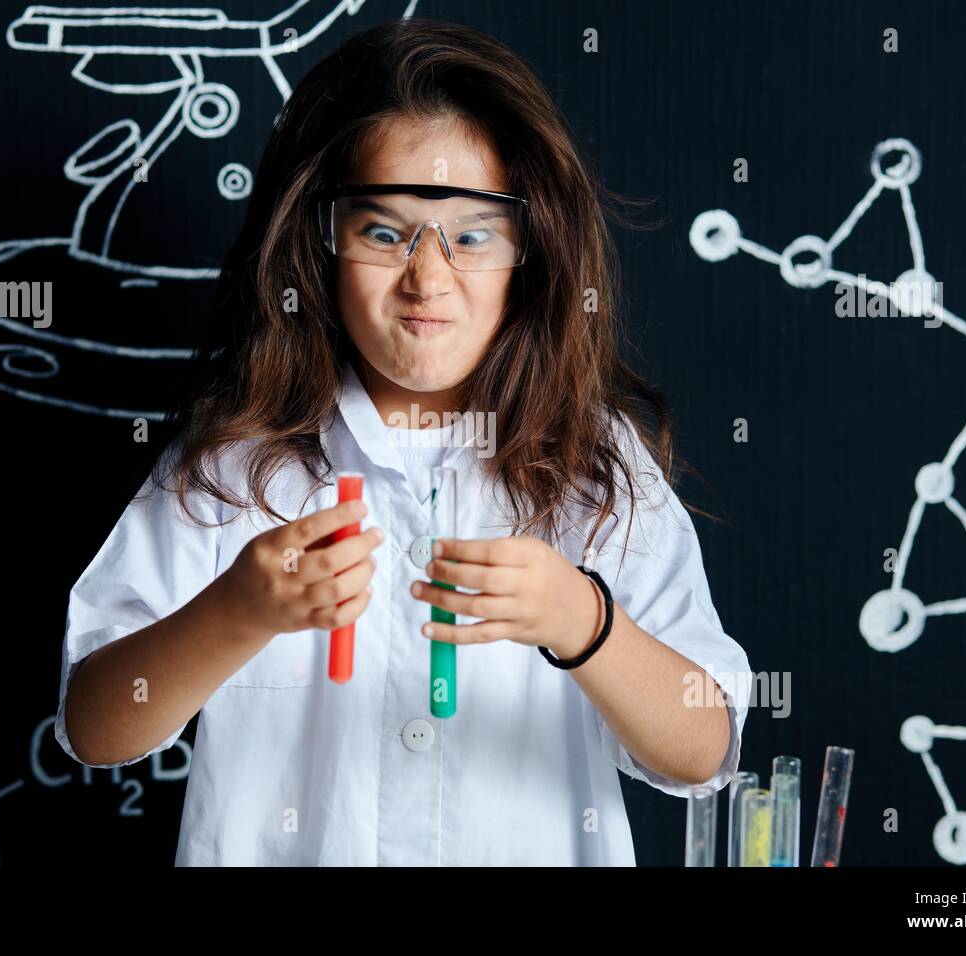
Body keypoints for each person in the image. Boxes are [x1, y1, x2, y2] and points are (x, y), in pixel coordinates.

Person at [55, 17, 751, 865]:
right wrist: (237, 611)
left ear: (530, 254)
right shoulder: (239, 462)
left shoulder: (593, 466)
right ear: (319, 245)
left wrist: (583, 621)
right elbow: (94, 726)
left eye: (472, 235)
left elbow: (704, 748)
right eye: (383, 232)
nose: (429, 277)